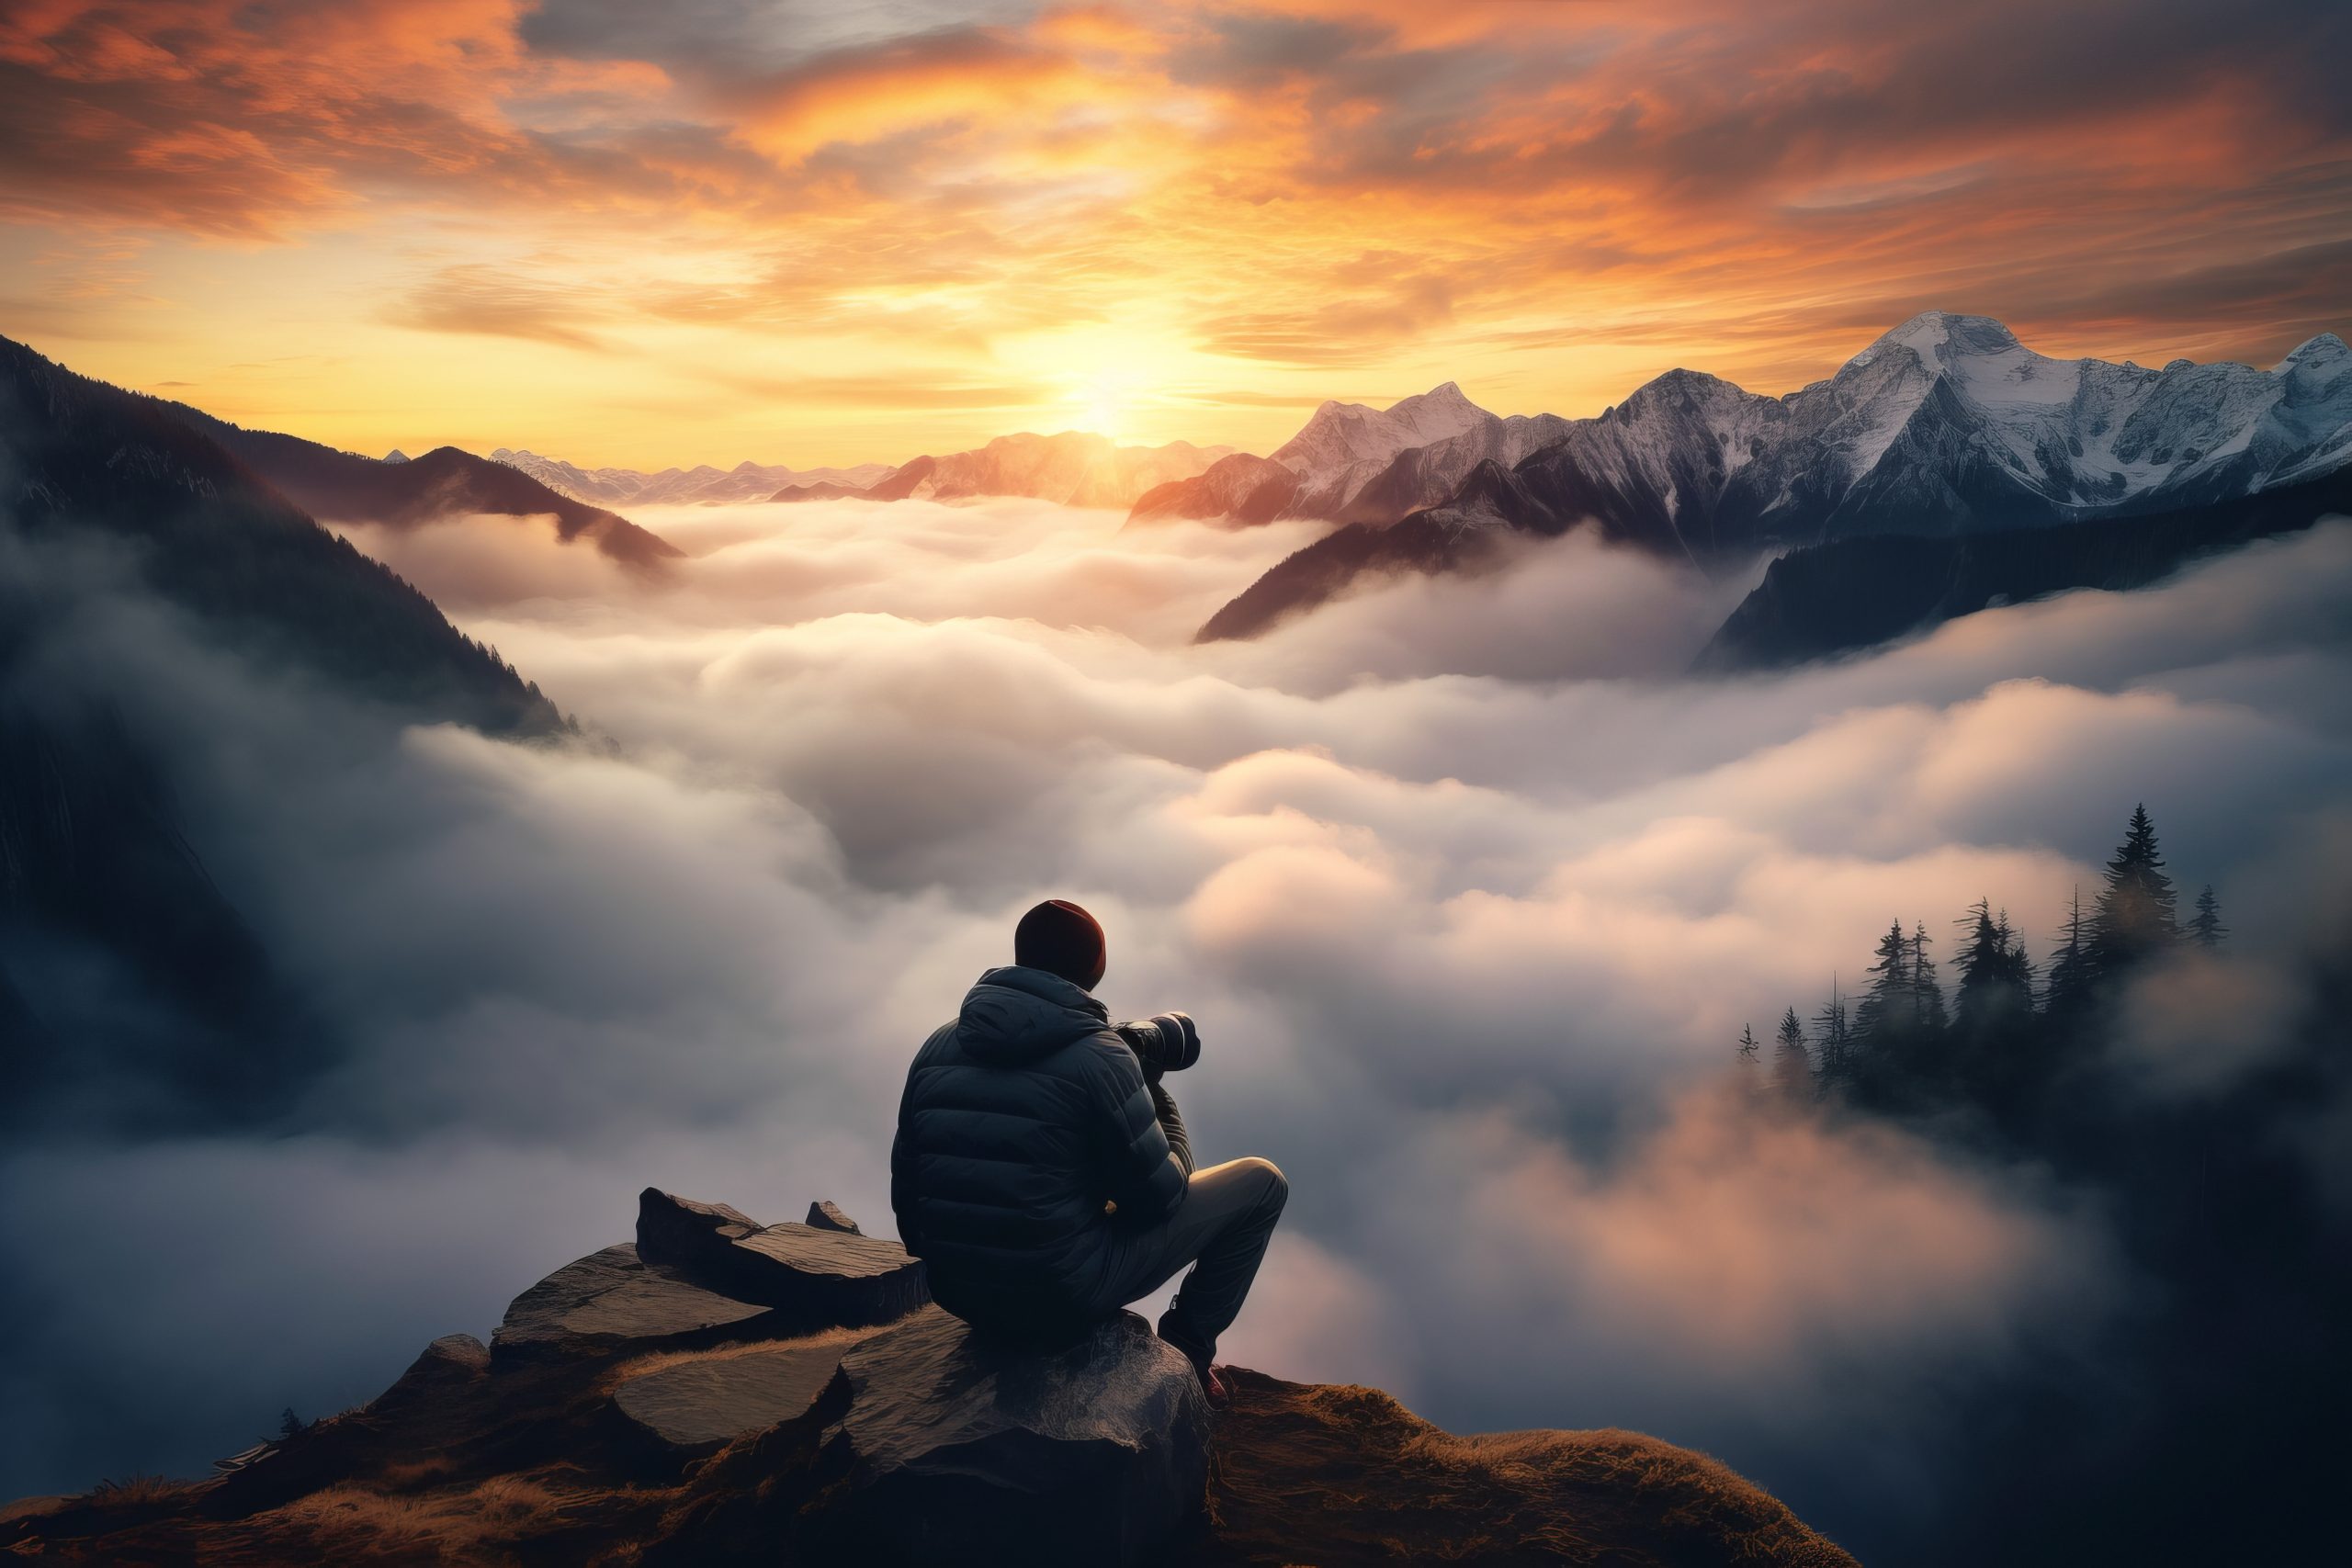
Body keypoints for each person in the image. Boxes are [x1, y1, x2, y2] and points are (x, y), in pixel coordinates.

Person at [889, 898, 1286, 1406]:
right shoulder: (1101, 1057)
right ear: (1094, 969)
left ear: (1020, 956)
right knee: (1262, 1182)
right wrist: (1152, 1092)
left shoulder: (938, 1044)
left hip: (957, 1292)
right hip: (1058, 1296)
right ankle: (1187, 1352)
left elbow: (907, 1191)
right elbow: (1160, 1200)